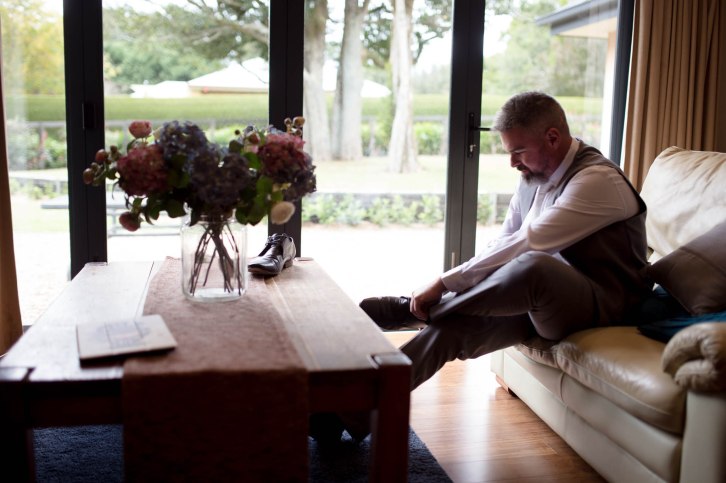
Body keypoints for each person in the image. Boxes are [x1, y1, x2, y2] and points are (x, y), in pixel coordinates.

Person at [310, 91, 653, 444]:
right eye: (509, 153)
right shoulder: (532, 178)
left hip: (608, 307)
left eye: (519, 151)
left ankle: (417, 311)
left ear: (552, 137)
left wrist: (442, 284)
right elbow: (503, 243)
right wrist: (457, 284)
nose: (512, 163)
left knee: (534, 264)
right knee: (449, 331)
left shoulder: (598, 180)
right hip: (540, 301)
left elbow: (529, 242)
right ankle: (349, 413)